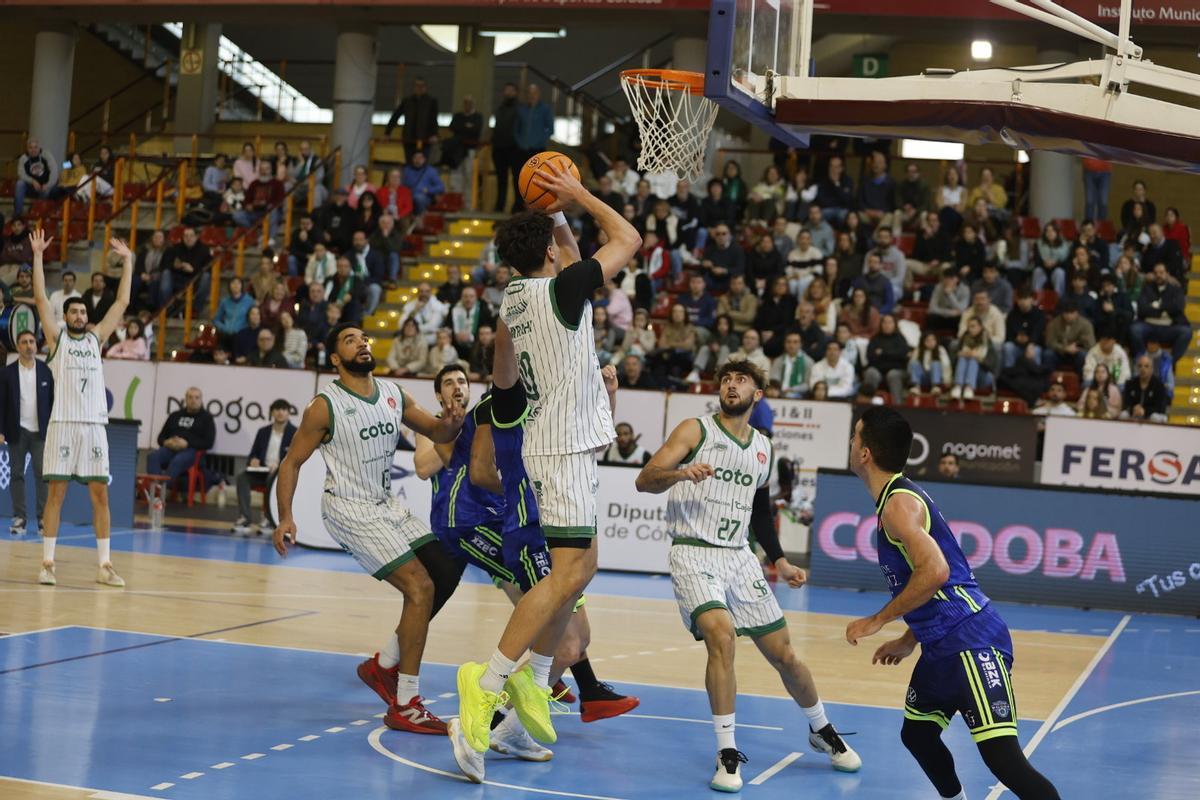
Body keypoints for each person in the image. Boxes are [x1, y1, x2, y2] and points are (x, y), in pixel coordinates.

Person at [454, 161, 641, 755]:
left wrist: (555, 210)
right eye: (560, 248)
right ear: (554, 260)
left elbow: (570, 250)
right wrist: (580, 193)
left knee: (582, 570)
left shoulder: (518, 294)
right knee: (565, 577)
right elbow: (628, 239)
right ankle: (486, 684)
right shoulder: (561, 290)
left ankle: (530, 693)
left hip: (562, 445)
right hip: (560, 450)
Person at [637, 359, 860, 791]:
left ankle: (820, 728)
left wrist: (779, 561)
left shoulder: (763, 446)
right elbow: (645, 480)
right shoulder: (694, 430)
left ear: (758, 394)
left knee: (786, 656)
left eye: (741, 380)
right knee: (721, 637)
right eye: (726, 379)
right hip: (694, 551)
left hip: (740, 558)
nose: (731, 385)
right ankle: (726, 752)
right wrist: (682, 472)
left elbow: (759, 511)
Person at [845, 407, 1063, 800]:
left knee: (1004, 760)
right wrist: (910, 639)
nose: (851, 442)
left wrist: (878, 620)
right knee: (918, 734)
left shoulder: (898, 505)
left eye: (855, 436)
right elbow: (929, 583)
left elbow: (936, 572)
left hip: (970, 638)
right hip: (939, 642)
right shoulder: (894, 500)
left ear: (865, 453)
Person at [450, 358, 638, 781]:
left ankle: (513, 728)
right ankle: (473, 721)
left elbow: (596, 445)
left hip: (568, 520)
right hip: (534, 524)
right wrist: (528, 483)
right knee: (570, 646)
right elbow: (481, 471)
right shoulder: (500, 402)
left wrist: (609, 394)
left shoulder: (564, 402)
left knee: (579, 640)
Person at [273, 323, 466, 733]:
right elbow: (291, 463)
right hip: (350, 509)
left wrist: (452, 419)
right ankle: (406, 703)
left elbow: (436, 432)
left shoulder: (394, 394)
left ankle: (384, 665)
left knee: (447, 569)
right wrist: (285, 516)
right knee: (421, 587)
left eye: (363, 338)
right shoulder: (324, 406)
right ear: (335, 359)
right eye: (349, 340)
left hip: (386, 504)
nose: (361, 343)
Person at [29, 231, 132, 587]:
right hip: (63, 424)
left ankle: (105, 566)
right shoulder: (55, 341)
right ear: (65, 315)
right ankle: (47, 562)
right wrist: (39, 256)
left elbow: (120, 303)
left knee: (100, 495)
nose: (78, 314)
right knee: (56, 494)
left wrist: (128, 261)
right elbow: (41, 299)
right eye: (73, 310)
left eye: (82, 310)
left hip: (94, 427)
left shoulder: (95, 339)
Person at [0, 329, 53, 535]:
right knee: (16, 475)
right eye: (24, 342)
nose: (29, 345)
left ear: (36, 345)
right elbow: (1, 404)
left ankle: (42, 519)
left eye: (32, 341)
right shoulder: (6, 373)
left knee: (42, 476)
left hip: (40, 433)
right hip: (16, 431)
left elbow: (52, 402)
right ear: (18, 346)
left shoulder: (46, 371)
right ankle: (20, 518)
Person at [232, 399, 295, 534]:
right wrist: (253, 460)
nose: (280, 413)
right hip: (262, 470)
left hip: (281, 474)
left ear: (288, 413)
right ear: (272, 412)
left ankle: (268, 518)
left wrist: (280, 467)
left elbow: (296, 458)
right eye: (277, 409)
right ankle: (245, 517)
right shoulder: (263, 432)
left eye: (284, 409)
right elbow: (252, 454)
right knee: (242, 477)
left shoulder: (295, 433)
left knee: (272, 478)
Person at [148, 386, 217, 492]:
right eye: (190, 397)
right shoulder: (175, 415)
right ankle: (154, 487)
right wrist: (166, 442)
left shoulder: (206, 418)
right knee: (153, 457)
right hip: (171, 448)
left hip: (191, 451)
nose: (193, 400)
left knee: (178, 461)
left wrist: (187, 443)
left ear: (201, 400)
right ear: (186, 399)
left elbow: (208, 442)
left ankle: (161, 489)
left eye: (196, 397)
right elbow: (160, 438)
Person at [386, 76, 440, 159]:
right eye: (417, 86)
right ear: (414, 87)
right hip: (409, 138)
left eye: (422, 86)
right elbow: (395, 116)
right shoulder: (407, 101)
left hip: (425, 139)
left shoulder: (432, 101)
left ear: (425, 87)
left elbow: (434, 119)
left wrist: (435, 134)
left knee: (423, 162)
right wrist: (387, 132)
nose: (419, 88)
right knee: (409, 161)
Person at [862, 313, 911, 402]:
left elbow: (903, 355)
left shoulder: (900, 339)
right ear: (881, 324)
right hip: (877, 369)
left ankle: (897, 405)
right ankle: (866, 403)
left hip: (897, 370)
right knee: (870, 372)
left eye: (890, 322)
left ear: (894, 324)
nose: (887, 325)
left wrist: (883, 353)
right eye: (884, 322)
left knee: (892, 375)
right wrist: (892, 355)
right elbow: (871, 357)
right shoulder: (875, 339)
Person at [491, 82, 522, 212]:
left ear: (516, 93)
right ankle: (499, 206)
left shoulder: (520, 109)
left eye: (511, 90)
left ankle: (518, 206)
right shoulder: (500, 108)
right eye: (506, 90)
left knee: (517, 179)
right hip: (499, 148)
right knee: (501, 179)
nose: (508, 93)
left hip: (514, 148)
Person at [1043, 299, 1096, 373]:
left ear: (1077, 313)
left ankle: (1081, 381)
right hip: (1059, 352)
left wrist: (1077, 346)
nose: (1068, 316)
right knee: (1048, 354)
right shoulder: (1054, 323)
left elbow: (1090, 344)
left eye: (1071, 313)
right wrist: (1064, 348)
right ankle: (1048, 380)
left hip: (1077, 353)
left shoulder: (1086, 324)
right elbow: (1050, 342)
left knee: (1083, 355)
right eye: (1066, 313)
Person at [14, 139, 58, 217]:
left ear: (39, 148)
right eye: (30, 148)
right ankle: (18, 214)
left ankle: (36, 211)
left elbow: (54, 172)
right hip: (30, 186)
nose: (33, 150)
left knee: (47, 190)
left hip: (45, 185)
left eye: (35, 147)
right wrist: (32, 181)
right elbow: (20, 174)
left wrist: (48, 184)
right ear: (27, 149)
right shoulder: (23, 158)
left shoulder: (47, 155)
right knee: (19, 184)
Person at [951, 317, 990, 400]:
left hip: (982, 374)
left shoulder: (987, 341)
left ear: (980, 327)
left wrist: (978, 357)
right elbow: (953, 360)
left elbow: (992, 365)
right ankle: (958, 386)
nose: (970, 329)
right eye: (969, 327)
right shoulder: (964, 338)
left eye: (973, 326)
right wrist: (960, 354)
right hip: (963, 372)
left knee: (973, 359)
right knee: (962, 358)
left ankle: (969, 387)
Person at [1122, 354, 1169, 422]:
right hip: (1134, 415)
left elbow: (1161, 408)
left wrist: (1145, 411)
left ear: (1151, 369)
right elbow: (1126, 404)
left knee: (1155, 417)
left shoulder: (1159, 386)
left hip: (1151, 416)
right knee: (1123, 415)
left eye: (1146, 366)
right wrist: (1133, 409)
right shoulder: (1130, 384)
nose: (1142, 369)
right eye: (1140, 366)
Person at [516, 83, 554, 164]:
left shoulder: (545, 109)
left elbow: (550, 129)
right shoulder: (521, 109)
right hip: (522, 149)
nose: (532, 95)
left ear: (539, 94)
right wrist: (520, 142)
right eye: (530, 93)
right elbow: (516, 128)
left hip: (538, 150)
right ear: (527, 95)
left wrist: (540, 141)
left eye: (534, 93)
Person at [769, 331, 814, 399]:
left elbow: (808, 384)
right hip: (779, 395)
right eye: (788, 342)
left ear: (801, 344)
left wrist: (792, 389)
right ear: (784, 344)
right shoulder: (778, 361)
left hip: (801, 397)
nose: (791, 345)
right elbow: (774, 380)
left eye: (795, 342)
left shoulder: (808, 362)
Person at [402, 151, 445, 216]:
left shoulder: (431, 171)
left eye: (420, 158)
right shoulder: (407, 170)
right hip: (409, 196)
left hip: (424, 197)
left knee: (419, 198)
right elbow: (402, 184)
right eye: (415, 158)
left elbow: (441, 187)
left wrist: (428, 190)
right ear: (412, 159)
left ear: (424, 159)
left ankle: (418, 217)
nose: (417, 160)